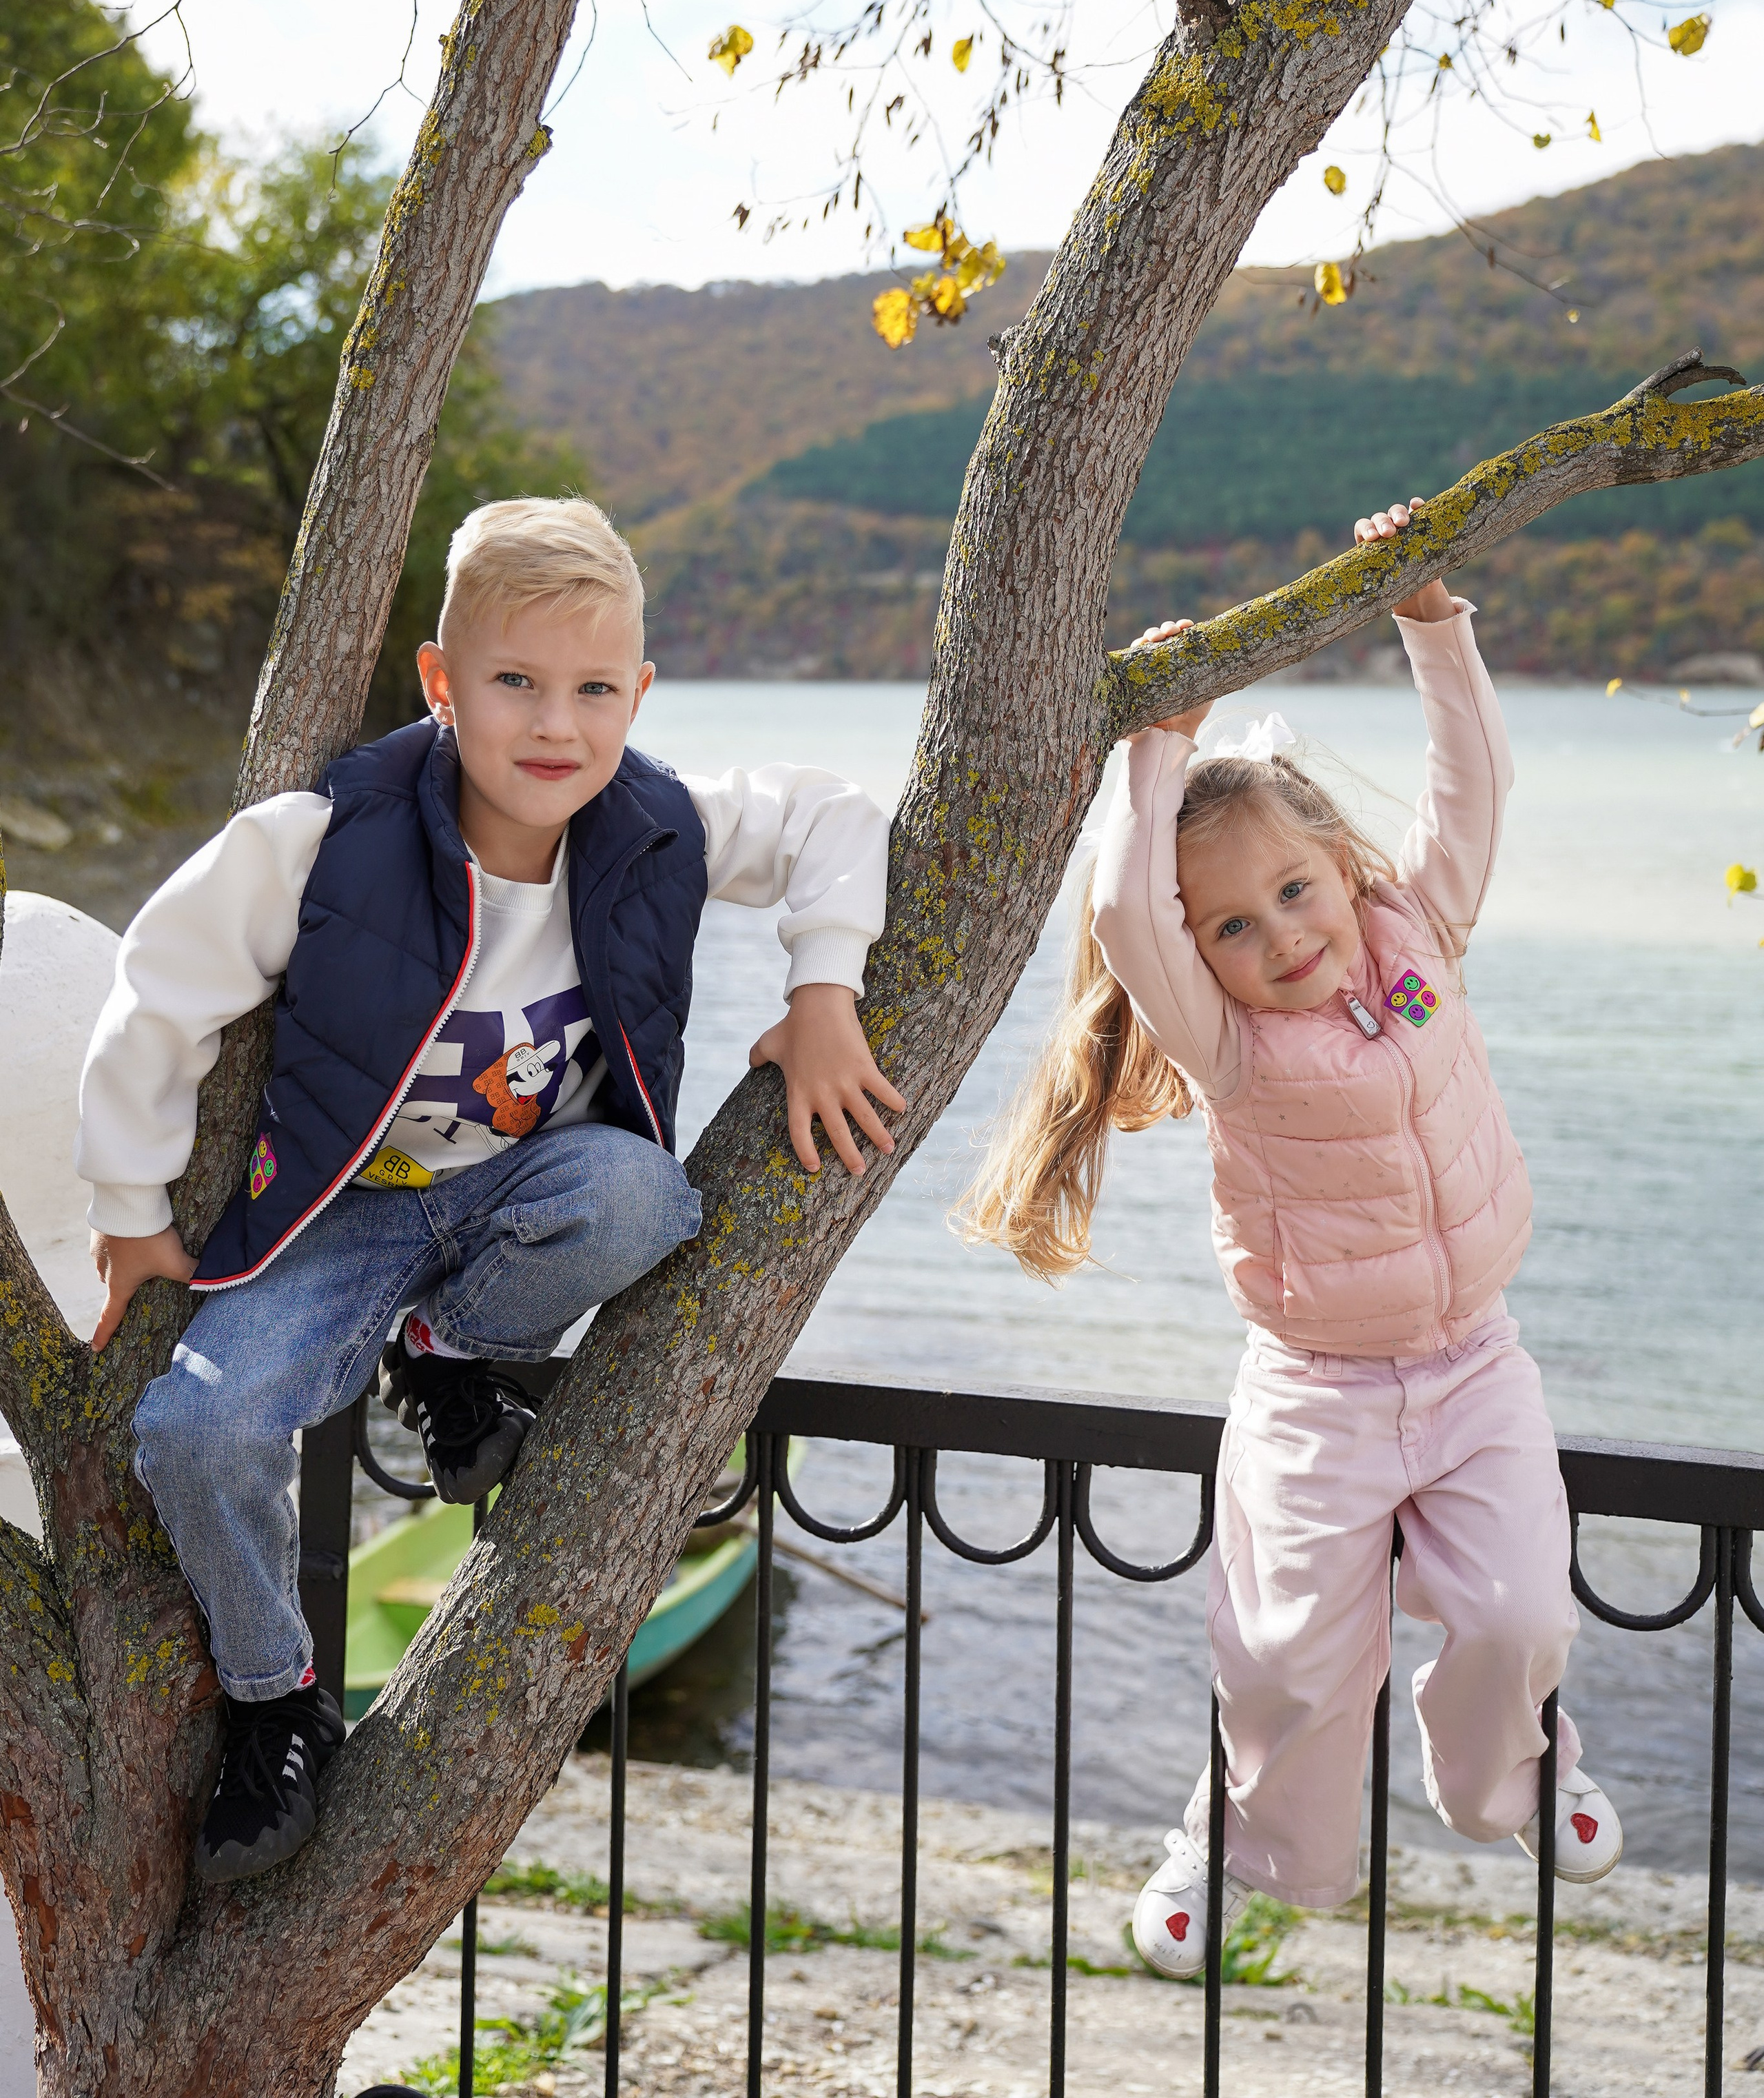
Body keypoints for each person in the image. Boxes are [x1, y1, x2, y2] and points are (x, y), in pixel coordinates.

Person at [76, 496, 901, 1884]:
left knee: (643, 1195)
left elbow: (836, 808)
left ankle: (458, 1349)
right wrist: (127, 1205)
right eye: (514, 681)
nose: (554, 725)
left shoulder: (654, 824)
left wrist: (822, 990)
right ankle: (278, 1702)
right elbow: (157, 988)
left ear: (639, 694)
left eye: (593, 689)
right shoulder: (324, 838)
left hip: (519, 1194)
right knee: (196, 1432)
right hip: (331, 1213)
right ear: (441, 682)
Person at [965, 497, 1619, 1979]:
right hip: (1315, 1393)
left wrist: (1429, 618)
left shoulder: (1420, 939)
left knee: (1518, 1611)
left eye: (1289, 890)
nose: (1275, 936)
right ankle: (1253, 1844)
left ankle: (1513, 1778)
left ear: (1336, 857)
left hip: (1472, 1370)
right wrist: (1155, 738)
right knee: (1279, 1660)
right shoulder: (1228, 1048)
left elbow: (1471, 787)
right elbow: (1128, 914)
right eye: (1231, 929)